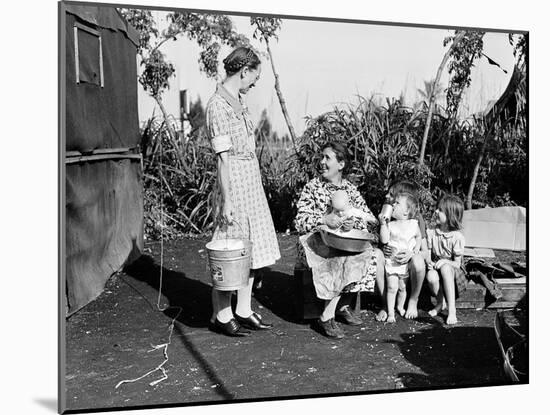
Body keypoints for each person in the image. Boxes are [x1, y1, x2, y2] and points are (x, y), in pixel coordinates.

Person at [205, 46, 281, 337]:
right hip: (233, 182)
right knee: (230, 247)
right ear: (243, 70)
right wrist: (226, 201)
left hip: (250, 179)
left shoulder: (237, 100)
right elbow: (223, 159)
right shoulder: (217, 105)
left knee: (251, 247)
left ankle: (244, 308)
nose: (254, 83)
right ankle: (220, 314)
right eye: (254, 77)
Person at [294, 142, 384, 339]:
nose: (322, 162)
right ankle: (327, 316)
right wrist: (323, 220)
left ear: (341, 164)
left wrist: (354, 224)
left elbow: (370, 221)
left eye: (327, 158)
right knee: (340, 258)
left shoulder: (351, 190)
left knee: (372, 254)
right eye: (322, 157)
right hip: (314, 243)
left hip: (342, 242)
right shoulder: (313, 187)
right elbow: (300, 221)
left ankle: (342, 305)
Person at [376, 180, 427, 321]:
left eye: (392, 194)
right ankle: (385, 304)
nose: (387, 196)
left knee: (418, 261)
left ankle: (413, 300)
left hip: (407, 268)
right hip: (390, 265)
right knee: (376, 255)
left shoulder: (415, 220)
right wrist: (383, 248)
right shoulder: (386, 217)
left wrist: (412, 253)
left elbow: (425, 252)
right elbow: (382, 241)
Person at [425, 194, 468, 325]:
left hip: (453, 271)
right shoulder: (432, 232)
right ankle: (440, 303)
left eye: (440, 210)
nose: (436, 211)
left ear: (450, 216)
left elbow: (457, 263)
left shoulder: (457, 237)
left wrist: (445, 261)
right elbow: (427, 252)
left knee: (445, 267)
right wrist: (429, 262)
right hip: (436, 266)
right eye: (437, 208)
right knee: (431, 276)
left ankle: (452, 309)